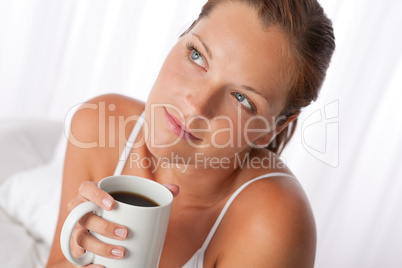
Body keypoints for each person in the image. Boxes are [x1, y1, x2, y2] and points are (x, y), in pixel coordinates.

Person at [47, 0, 335, 267]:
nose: (196, 106)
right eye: (197, 55)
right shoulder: (97, 125)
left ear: (270, 130)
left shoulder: (273, 225)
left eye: (242, 99)